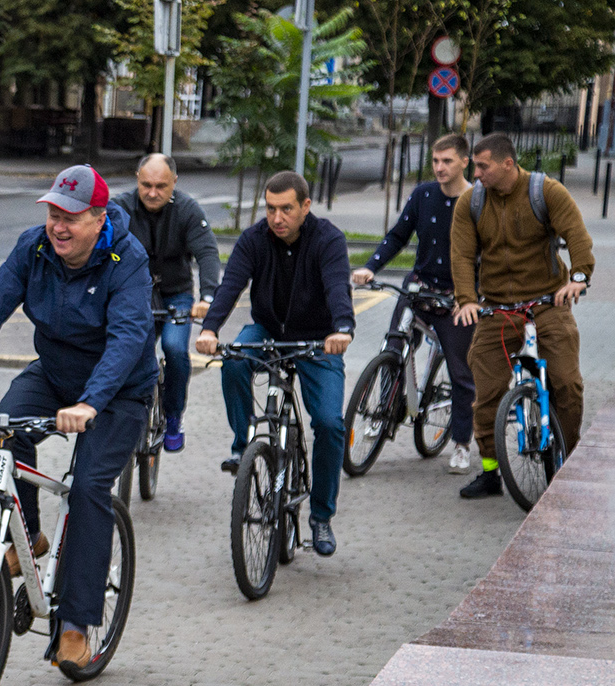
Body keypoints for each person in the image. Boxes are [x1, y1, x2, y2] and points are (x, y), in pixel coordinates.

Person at [0, 165, 154, 672]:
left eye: (69, 217)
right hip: (55, 373)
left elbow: (128, 337)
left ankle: (74, 625)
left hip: (118, 393)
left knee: (90, 487)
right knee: (0, 426)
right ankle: (29, 536)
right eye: (51, 214)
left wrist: (90, 402)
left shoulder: (127, 259)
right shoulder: (35, 247)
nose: (57, 227)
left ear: (98, 218)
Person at [196, 171, 354, 556]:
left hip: (318, 339)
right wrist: (210, 330)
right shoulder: (254, 240)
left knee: (331, 424)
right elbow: (230, 286)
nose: (277, 217)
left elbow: (337, 287)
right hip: (267, 330)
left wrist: (343, 328)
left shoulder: (328, 239)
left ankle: (321, 517)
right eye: (270, 208)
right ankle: (242, 445)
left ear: (305, 207)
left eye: (286, 209)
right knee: (233, 360)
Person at [450, 132, 594, 499]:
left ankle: (567, 459)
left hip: (547, 304)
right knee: (486, 392)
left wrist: (579, 276)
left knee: (567, 384)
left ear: (507, 164)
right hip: (497, 308)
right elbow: (463, 255)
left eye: (482, 166)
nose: (476, 172)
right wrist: (467, 298)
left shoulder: (545, 192)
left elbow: (577, 235)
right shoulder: (471, 202)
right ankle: (490, 471)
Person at [352, 133, 477, 474]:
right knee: (393, 346)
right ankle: (381, 412)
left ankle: (462, 443)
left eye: (447, 161)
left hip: (456, 299)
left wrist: (473, 297)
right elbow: (398, 235)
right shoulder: (423, 195)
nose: (439, 167)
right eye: (436, 161)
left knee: (461, 371)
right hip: (419, 289)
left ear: (464, 162)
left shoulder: (478, 201)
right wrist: (370, 266)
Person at [112, 153, 222, 451]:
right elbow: (100, 241)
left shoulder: (187, 209)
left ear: (174, 182)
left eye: (161, 186)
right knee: (134, 349)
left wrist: (208, 296)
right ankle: (127, 412)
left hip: (177, 293)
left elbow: (208, 254)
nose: (152, 192)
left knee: (174, 348)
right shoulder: (121, 207)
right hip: (136, 294)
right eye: (146, 184)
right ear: (137, 178)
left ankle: (173, 415)